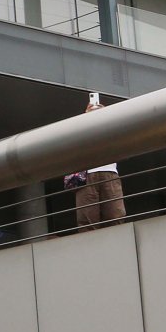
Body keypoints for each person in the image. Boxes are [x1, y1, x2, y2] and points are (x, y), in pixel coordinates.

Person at [70, 92, 127, 230]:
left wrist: (106, 116)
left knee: (115, 215)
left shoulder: (110, 126)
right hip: (86, 174)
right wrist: (85, 118)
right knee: (87, 220)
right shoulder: (80, 128)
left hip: (108, 172)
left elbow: (119, 138)